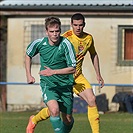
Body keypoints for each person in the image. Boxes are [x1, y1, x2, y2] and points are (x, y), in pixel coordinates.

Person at [26, 13, 104, 133]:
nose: (78, 28)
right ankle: (35, 120)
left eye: (81, 25)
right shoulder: (64, 38)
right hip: (58, 79)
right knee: (54, 109)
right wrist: (36, 73)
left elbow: (93, 54)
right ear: (71, 25)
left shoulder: (88, 38)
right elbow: (47, 53)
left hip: (76, 77)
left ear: (84, 25)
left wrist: (98, 74)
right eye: (75, 25)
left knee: (90, 101)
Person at [25, 16, 76, 133]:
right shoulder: (39, 43)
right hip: (49, 84)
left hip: (65, 86)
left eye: (57, 31)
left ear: (60, 30)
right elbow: (28, 55)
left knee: (67, 120)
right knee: (54, 110)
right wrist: (28, 74)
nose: (55, 34)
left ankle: (34, 119)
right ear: (46, 32)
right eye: (52, 31)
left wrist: (53, 72)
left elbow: (72, 68)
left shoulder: (66, 44)